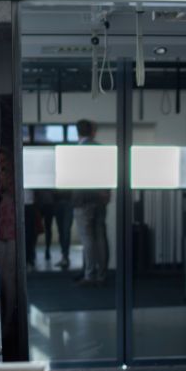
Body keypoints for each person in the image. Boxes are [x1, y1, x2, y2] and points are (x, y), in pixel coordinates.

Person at [75, 118, 110, 285]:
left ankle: (90, 275)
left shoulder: (78, 150)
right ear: (92, 131)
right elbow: (109, 172)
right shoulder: (101, 149)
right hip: (101, 199)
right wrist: (106, 193)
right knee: (100, 237)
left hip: (83, 201)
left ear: (78, 131)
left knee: (87, 238)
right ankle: (102, 274)